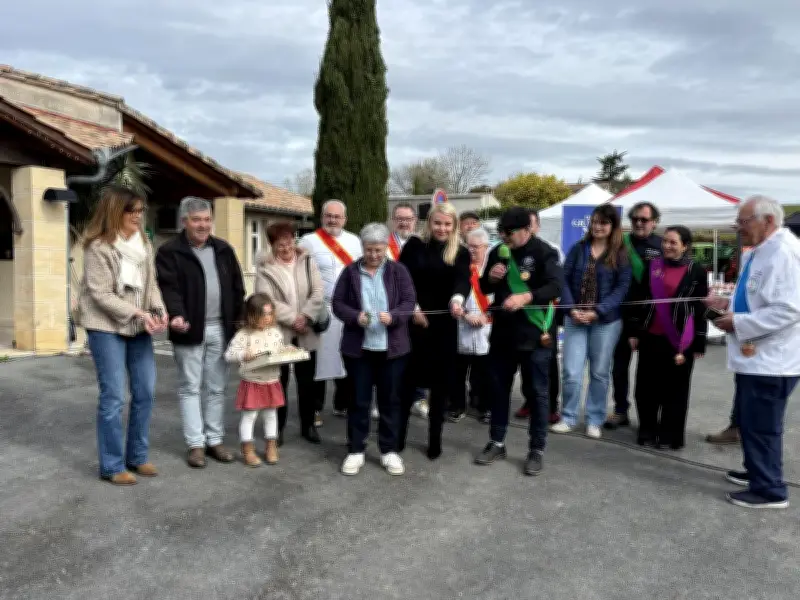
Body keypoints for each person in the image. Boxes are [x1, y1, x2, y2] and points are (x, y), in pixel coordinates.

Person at [707, 195, 800, 509]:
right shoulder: (759, 252)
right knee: (750, 420)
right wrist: (727, 304)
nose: (738, 227)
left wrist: (739, 323)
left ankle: (770, 490)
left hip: (774, 359)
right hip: (754, 355)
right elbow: (755, 295)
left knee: (763, 424)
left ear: (768, 221)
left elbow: (789, 309)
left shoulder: (786, 254)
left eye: (744, 221)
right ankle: (757, 471)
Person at [76, 185, 168, 485]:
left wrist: (158, 311)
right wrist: (137, 312)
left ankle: (137, 457)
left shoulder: (143, 242)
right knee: (114, 396)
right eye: (134, 211)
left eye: (142, 211)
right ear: (116, 211)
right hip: (106, 327)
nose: (139, 217)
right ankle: (113, 465)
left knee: (145, 392)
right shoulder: (97, 248)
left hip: (137, 325)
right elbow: (100, 295)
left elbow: (151, 283)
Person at [156, 197, 246, 468]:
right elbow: (168, 288)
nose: (203, 225)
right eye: (197, 220)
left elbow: (237, 287)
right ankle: (196, 444)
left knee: (217, 388)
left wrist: (240, 319)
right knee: (190, 387)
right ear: (184, 221)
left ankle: (214, 440)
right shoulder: (170, 252)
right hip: (189, 329)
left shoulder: (223, 250)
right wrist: (177, 314)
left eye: (207, 219)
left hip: (221, 327)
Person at [474, 207, 562, 476]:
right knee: (498, 390)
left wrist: (526, 297)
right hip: (503, 334)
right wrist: (490, 278)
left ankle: (536, 449)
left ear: (527, 229)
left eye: (509, 233)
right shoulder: (499, 251)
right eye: (501, 232)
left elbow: (556, 287)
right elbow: (485, 287)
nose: (504, 237)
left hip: (535, 334)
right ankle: (497, 442)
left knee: (537, 393)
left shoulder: (544, 252)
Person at [332, 223, 417, 476]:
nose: (374, 255)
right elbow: (337, 303)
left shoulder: (398, 271)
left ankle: (389, 451)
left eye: (379, 250)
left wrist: (395, 316)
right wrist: (355, 316)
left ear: (386, 248)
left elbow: (409, 301)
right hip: (359, 350)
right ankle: (356, 450)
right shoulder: (349, 272)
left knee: (390, 401)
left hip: (392, 349)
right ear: (362, 248)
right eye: (369, 250)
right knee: (359, 401)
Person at [398, 202, 471, 460]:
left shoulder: (460, 252)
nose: (442, 228)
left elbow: (463, 280)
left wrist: (458, 300)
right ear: (429, 223)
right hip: (414, 324)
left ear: (454, 226)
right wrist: (413, 307)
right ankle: (398, 437)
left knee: (440, 387)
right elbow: (401, 279)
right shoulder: (414, 246)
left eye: (447, 224)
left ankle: (435, 440)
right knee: (406, 384)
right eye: (437, 223)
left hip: (444, 327)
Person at [551, 204, 631, 439]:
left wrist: (598, 311)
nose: (597, 226)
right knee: (571, 372)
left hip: (605, 322)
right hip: (575, 319)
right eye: (595, 221)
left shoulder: (620, 254)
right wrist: (570, 308)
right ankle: (568, 417)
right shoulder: (578, 249)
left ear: (613, 227)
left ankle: (594, 419)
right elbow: (563, 281)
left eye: (603, 223)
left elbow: (622, 288)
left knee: (599, 372)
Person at [628, 226, 707, 449]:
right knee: (646, 388)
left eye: (673, 242)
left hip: (680, 341)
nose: (667, 246)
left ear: (685, 246)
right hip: (650, 336)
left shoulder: (696, 271)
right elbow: (639, 298)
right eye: (665, 241)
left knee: (675, 390)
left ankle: (669, 435)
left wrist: (700, 339)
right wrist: (634, 331)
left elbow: (700, 307)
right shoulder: (653, 266)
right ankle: (647, 430)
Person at [255, 221, 325, 444]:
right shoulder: (265, 268)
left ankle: (309, 425)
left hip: (306, 331)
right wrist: (293, 318)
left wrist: (305, 316)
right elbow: (267, 300)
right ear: (272, 245)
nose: (286, 249)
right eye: (280, 245)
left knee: (308, 383)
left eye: (289, 242)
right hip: (280, 333)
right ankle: (278, 428)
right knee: (279, 383)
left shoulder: (307, 261)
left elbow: (318, 292)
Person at [299, 200, 363, 422]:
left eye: (337, 216)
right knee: (318, 359)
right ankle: (315, 408)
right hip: (320, 308)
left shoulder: (355, 241)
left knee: (346, 355)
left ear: (345, 219)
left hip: (347, 308)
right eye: (329, 215)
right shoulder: (308, 241)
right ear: (322, 216)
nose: (333, 220)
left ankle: (342, 403)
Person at [606, 201, 663, 430]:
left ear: (654, 222)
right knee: (619, 368)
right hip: (622, 315)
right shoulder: (619, 244)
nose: (639, 223)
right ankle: (621, 411)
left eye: (644, 219)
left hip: (652, 317)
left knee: (650, 372)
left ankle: (649, 418)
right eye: (635, 219)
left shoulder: (662, 245)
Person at [224, 294, 286, 467]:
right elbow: (228, 355)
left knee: (271, 414)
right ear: (252, 315)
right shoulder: (244, 335)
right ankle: (248, 448)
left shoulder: (275, 332)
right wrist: (243, 354)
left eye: (270, 314)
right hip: (252, 382)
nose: (268, 318)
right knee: (250, 415)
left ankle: (271, 446)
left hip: (272, 380)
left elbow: (279, 350)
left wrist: (287, 352)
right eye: (263, 314)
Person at [516, 209, 565, 423]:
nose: (527, 230)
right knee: (526, 364)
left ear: (537, 227)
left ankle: (551, 406)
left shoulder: (549, 250)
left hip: (543, 316)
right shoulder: (513, 250)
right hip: (521, 317)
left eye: (531, 225)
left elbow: (556, 284)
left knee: (547, 364)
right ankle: (529, 401)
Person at [451, 227, 493, 424]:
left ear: (486, 247)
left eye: (477, 247)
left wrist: (486, 316)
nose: (473, 250)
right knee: (458, 373)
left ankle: (484, 407)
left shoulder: (494, 270)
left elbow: (501, 298)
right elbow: (453, 296)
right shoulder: (461, 268)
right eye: (469, 246)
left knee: (485, 372)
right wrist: (466, 315)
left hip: (488, 327)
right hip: (463, 326)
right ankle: (458, 407)